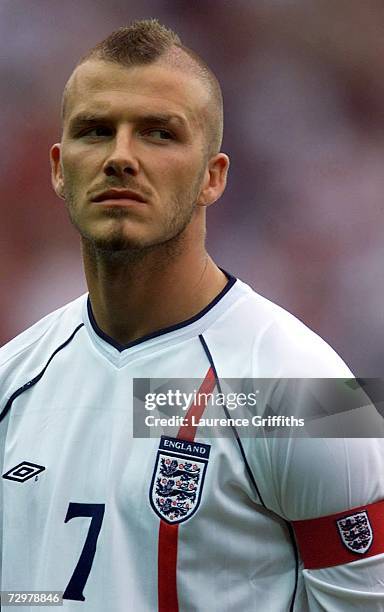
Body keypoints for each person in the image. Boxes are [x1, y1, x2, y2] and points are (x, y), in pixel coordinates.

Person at [0, 19, 383, 612]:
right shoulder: (13, 378)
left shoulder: (307, 392)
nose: (120, 157)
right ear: (58, 167)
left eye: (158, 133)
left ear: (213, 176)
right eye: (96, 130)